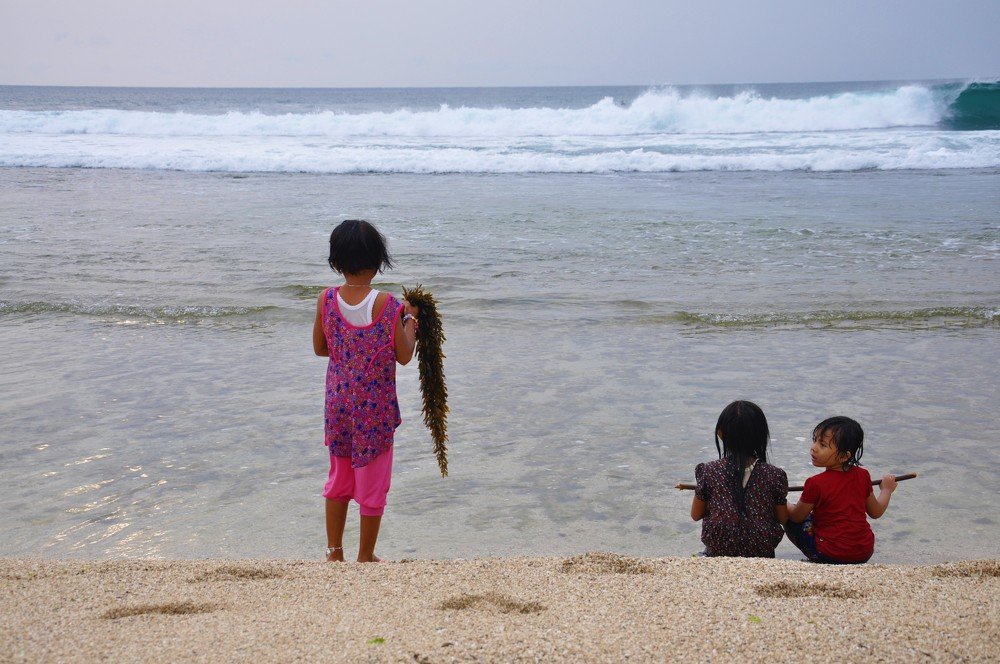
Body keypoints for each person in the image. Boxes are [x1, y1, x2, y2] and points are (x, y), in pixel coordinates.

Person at [312, 219, 418, 562]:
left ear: (336, 262)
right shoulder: (388, 305)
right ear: (378, 261)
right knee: (372, 482)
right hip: (375, 409)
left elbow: (320, 347)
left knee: (338, 477)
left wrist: (348, 352)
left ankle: (333, 552)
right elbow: (404, 356)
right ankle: (366, 555)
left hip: (339, 404)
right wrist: (411, 321)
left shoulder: (326, 299)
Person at [784, 416, 897, 564]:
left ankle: (814, 556)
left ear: (844, 456)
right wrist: (887, 490)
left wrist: (781, 500)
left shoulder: (815, 483)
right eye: (815, 440)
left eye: (822, 444)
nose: (813, 447)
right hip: (863, 552)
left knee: (788, 519)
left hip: (828, 553)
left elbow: (797, 516)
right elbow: (875, 512)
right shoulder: (863, 475)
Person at [690, 400, 789, 557]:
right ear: (762, 434)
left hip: (719, 550)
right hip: (761, 551)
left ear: (720, 433)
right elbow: (783, 518)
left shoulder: (709, 471)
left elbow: (695, 515)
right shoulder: (775, 475)